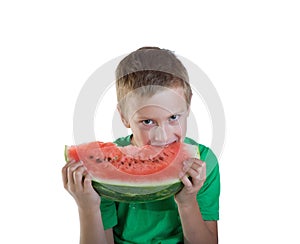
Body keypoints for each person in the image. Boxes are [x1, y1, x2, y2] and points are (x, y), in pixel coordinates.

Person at [62, 47, 220, 244]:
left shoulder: (203, 162)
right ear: (124, 117)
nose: (162, 136)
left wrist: (188, 202)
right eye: (148, 122)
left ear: (188, 108)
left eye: (173, 117)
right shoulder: (105, 165)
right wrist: (88, 207)